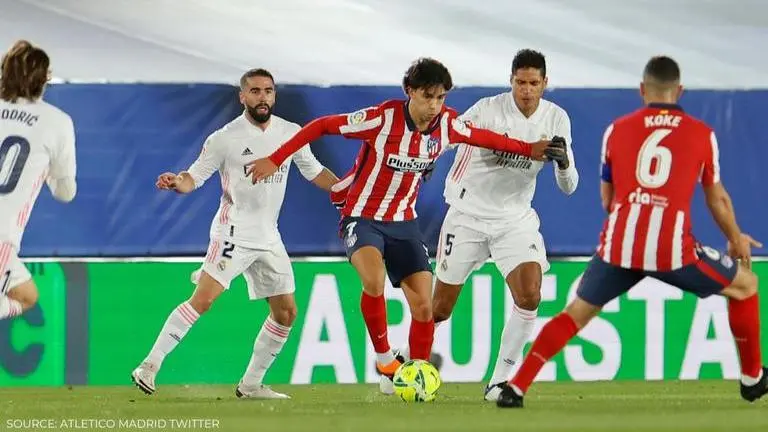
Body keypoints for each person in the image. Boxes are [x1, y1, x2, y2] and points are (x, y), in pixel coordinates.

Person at [246, 57, 558, 394]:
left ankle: (418, 377)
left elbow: (488, 139)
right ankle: (385, 360)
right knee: (374, 280)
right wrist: (275, 158)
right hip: (363, 217)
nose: (434, 106)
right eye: (428, 97)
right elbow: (321, 126)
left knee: (425, 306)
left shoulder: (448, 125)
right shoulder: (381, 119)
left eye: (441, 98)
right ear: (410, 91)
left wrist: (529, 149)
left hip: (404, 223)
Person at [497, 55, 766, 408]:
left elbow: (608, 199)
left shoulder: (617, 130)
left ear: (642, 90)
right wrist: (735, 237)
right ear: (679, 91)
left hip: (619, 245)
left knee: (575, 314)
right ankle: (752, 378)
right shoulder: (702, 134)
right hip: (672, 249)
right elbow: (717, 198)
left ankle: (516, 387)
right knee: (746, 286)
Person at [130, 68, 339, 399]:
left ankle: (251, 385)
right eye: (255, 91)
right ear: (242, 97)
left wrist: (346, 190)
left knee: (286, 312)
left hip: (269, 237)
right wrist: (177, 182)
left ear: (274, 95)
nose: (262, 97)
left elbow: (313, 171)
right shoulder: (224, 138)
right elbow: (193, 177)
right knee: (203, 300)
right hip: (233, 233)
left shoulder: (290, 132)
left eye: (268, 91)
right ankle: (149, 366)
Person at [395, 49, 578, 401]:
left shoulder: (556, 118)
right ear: (511, 81)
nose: (526, 90)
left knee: (530, 295)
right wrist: (426, 158)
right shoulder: (487, 110)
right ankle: (405, 357)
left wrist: (564, 163)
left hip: (514, 219)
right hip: (467, 215)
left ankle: (500, 382)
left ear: (545, 83)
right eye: (520, 82)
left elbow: (569, 187)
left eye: (533, 83)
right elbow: (447, 134)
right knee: (440, 309)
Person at [0, 40, 77, 320]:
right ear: (45, 79)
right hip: (2, 236)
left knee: (28, 295)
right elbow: (65, 192)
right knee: (26, 298)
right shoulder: (57, 122)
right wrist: (46, 172)